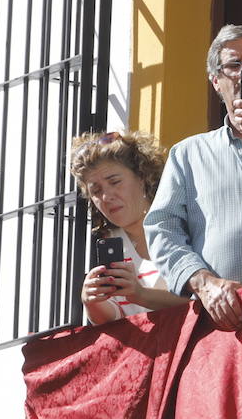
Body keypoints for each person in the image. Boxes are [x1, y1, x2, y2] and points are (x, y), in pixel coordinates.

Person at [144, 24, 242, 332]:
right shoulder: (188, 154)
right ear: (216, 82)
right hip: (223, 323)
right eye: (234, 65)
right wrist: (203, 283)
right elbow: (162, 228)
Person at [73, 130, 190, 324]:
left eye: (115, 182)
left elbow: (202, 298)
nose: (106, 197)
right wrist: (91, 302)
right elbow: (115, 320)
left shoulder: (183, 224)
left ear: (142, 177)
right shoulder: (111, 243)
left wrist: (141, 294)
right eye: (96, 190)